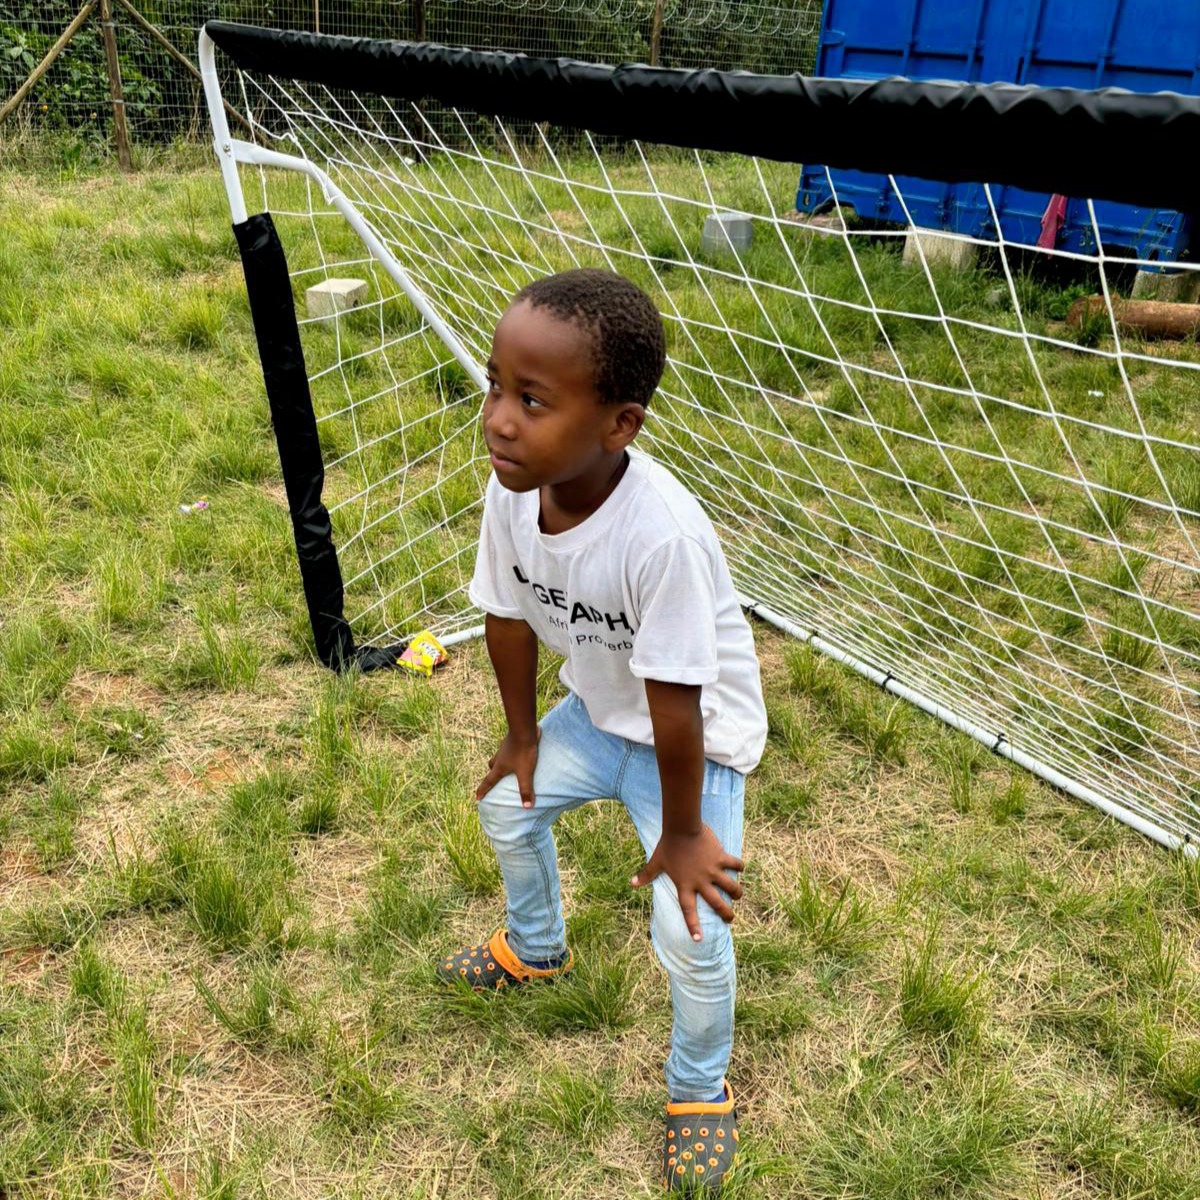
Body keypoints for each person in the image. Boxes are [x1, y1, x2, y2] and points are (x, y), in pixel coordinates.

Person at [437, 267, 767, 1191]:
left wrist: (687, 832)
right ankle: (536, 947)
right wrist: (523, 738)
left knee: (693, 927)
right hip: (599, 713)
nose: (500, 418)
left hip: (693, 743)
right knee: (507, 805)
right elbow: (503, 615)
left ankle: (698, 1089)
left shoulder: (661, 536)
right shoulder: (513, 486)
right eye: (497, 386)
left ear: (619, 424)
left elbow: (676, 706)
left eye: (533, 400)